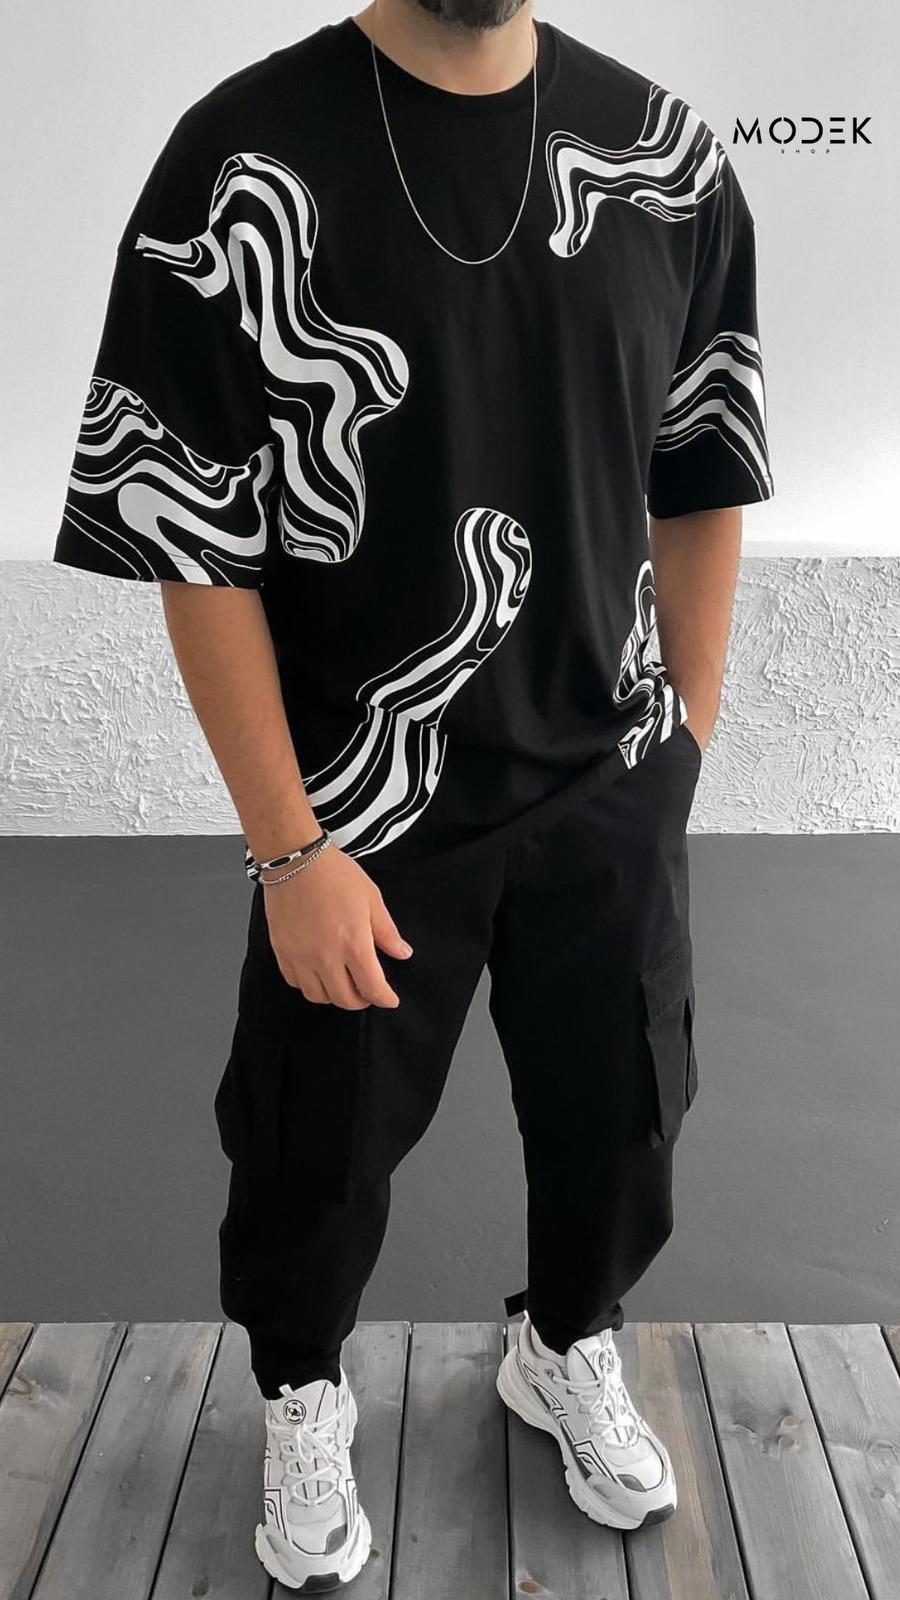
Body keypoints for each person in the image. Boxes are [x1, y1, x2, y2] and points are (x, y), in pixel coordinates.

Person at [53, 0, 774, 1588]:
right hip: (363, 803)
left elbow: (704, 462)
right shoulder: (241, 157)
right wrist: (287, 845)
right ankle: (303, 1393)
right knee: (315, 1148)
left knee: (620, 1117)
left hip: (608, 774)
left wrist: (686, 738)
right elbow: (187, 531)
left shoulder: (662, 160)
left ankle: (566, 1344)